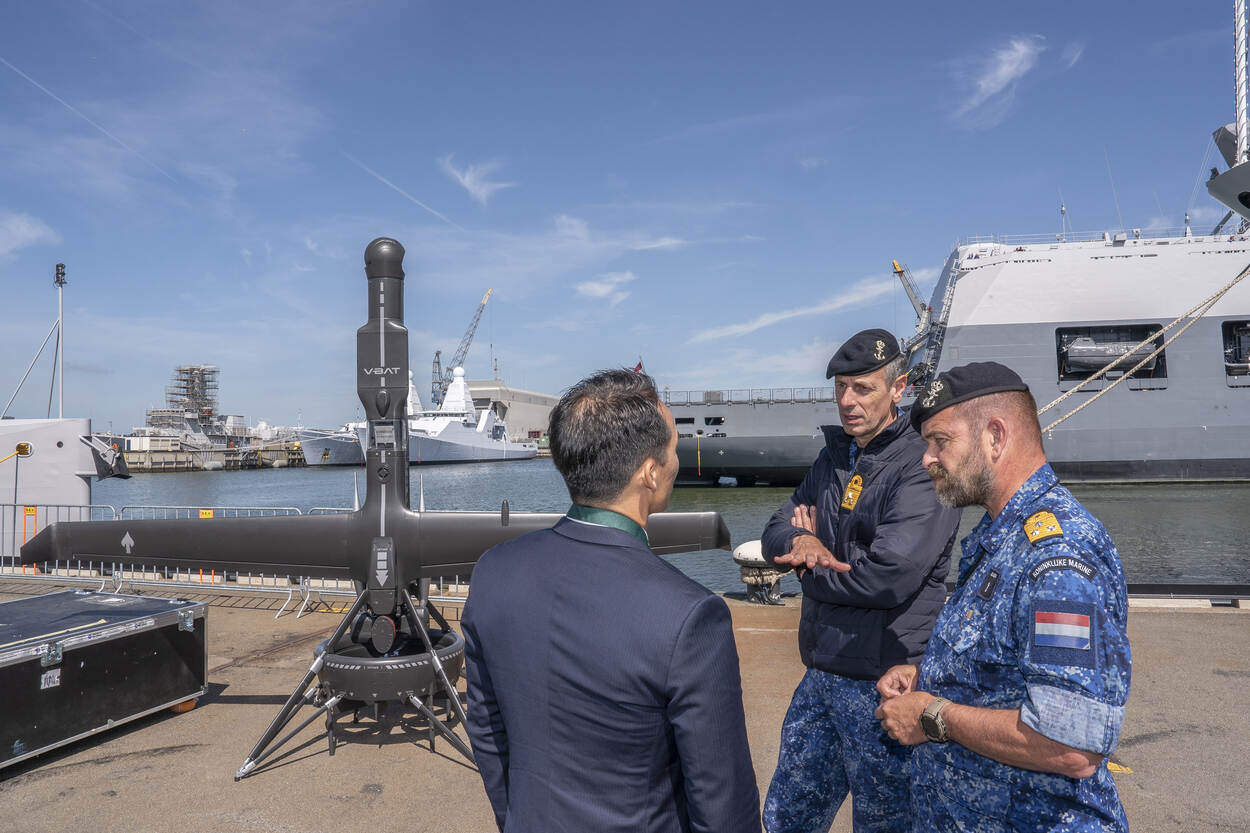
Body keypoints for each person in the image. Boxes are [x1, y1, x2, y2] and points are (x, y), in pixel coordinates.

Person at [462, 368, 760, 833]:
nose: (675, 462)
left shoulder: (494, 571)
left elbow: (486, 730)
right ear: (649, 471)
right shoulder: (690, 616)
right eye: (673, 449)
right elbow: (722, 801)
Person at [874, 361, 1130, 832]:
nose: (926, 458)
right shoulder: (1002, 535)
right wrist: (931, 676)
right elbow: (1007, 663)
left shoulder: (1056, 557)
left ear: (995, 436)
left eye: (940, 441)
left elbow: (1070, 746)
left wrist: (932, 715)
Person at [761, 329, 962, 833]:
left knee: (887, 824)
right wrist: (804, 545)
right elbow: (774, 533)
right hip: (822, 674)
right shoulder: (834, 458)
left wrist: (807, 572)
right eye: (841, 388)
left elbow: (888, 577)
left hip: (886, 684)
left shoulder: (920, 466)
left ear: (899, 389)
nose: (848, 402)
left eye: (863, 388)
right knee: (787, 817)